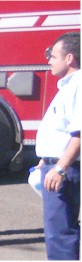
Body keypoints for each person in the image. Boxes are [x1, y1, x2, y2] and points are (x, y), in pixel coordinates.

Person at [35, 31, 80, 260]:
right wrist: (45, 159)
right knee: (56, 231)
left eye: (53, 56)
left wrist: (60, 168)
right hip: (54, 165)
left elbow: (79, 135)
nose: (49, 61)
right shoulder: (68, 86)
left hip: (64, 170)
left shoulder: (78, 86)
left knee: (60, 233)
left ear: (69, 58)